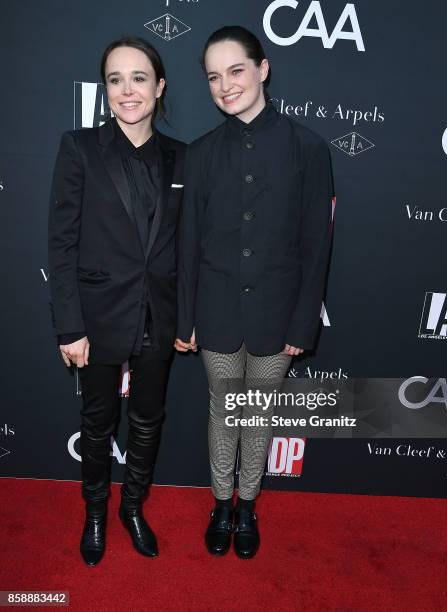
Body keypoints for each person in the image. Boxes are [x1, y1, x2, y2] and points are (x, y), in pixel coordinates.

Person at [175, 26, 333, 559]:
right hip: (215, 311)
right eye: (214, 77)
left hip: (277, 314)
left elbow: (316, 246)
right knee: (224, 410)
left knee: (257, 412)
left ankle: (248, 504)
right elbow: (188, 243)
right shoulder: (199, 154)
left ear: (263, 68)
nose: (225, 85)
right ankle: (222, 504)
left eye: (235, 70)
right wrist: (186, 320)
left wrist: (301, 324)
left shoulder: (308, 148)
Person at [48, 36, 185, 566]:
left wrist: (187, 318)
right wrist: (68, 326)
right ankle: (96, 513)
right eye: (115, 79)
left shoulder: (183, 157)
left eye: (139, 78)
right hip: (98, 314)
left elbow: (188, 249)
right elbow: (60, 243)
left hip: (160, 314)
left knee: (148, 418)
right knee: (97, 421)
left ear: (160, 86)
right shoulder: (78, 147)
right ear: (105, 90)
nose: (127, 90)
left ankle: (133, 507)